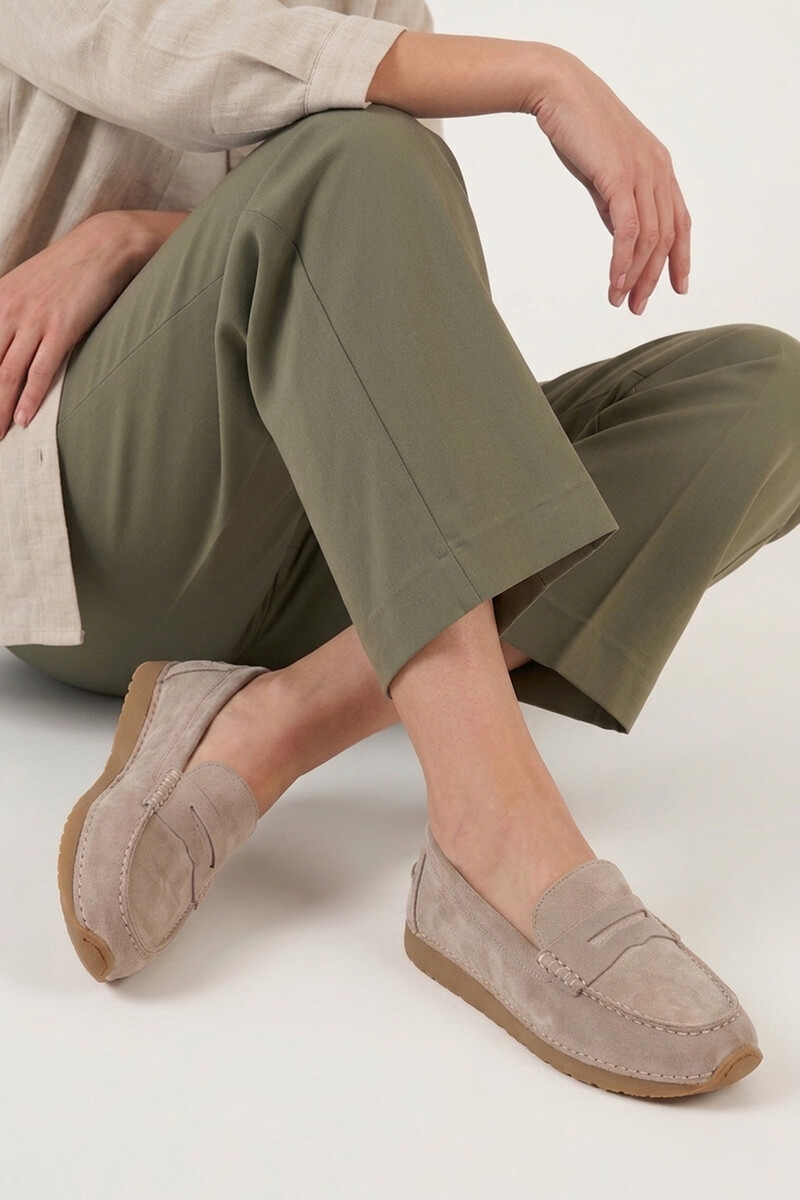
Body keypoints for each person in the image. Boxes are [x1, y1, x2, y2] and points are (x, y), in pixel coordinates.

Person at [1, 2, 798, 1100]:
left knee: (762, 396)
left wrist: (138, 235)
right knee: (364, 153)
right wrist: (538, 73)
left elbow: (386, 251)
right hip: (87, 518)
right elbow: (160, 53)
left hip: (330, 536)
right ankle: (490, 830)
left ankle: (273, 720)